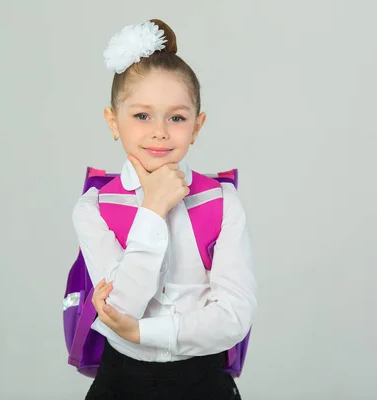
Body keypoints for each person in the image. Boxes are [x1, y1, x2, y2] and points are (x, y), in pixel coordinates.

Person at [71, 18, 257, 399]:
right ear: (113, 122)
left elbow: (234, 317)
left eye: (176, 117)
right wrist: (153, 209)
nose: (159, 131)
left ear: (197, 125)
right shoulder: (94, 208)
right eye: (142, 116)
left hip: (203, 383)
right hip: (119, 383)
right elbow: (122, 305)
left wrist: (142, 333)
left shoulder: (221, 202)